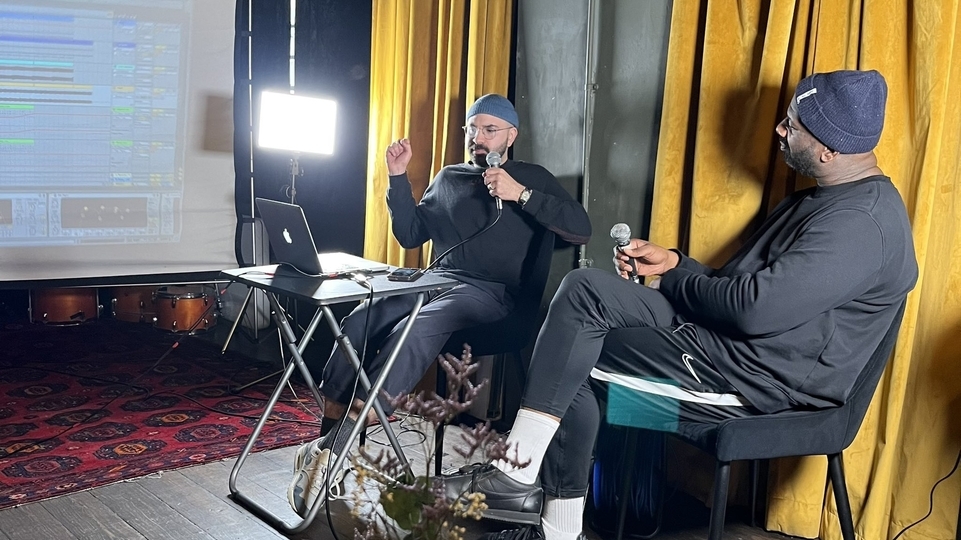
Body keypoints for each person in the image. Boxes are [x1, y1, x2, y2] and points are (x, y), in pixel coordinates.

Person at [443, 70, 918, 540]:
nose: (778, 130)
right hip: (719, 345)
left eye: (791, 125)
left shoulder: (861, 225)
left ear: (828, 149)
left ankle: (544, 510)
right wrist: (674, 262)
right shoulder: (823, 200)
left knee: (570, 360)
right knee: (583, 291)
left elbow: (753, 309)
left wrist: (671, 278)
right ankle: (522, 482)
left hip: (749, 387)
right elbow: (744, 288)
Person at [286, 94, 593, 515]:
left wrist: (520, 193)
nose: (478, 138)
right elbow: (411, 235)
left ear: (512, 135)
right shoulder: (449, 177)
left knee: (412, 329)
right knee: (357, 322)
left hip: (491, 295)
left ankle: (326, 453)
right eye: (472, 129)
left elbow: (581, 229)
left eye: (490, 130)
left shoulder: (531, 177)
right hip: (431, 280)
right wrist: (397, 178)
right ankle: (330, 450)